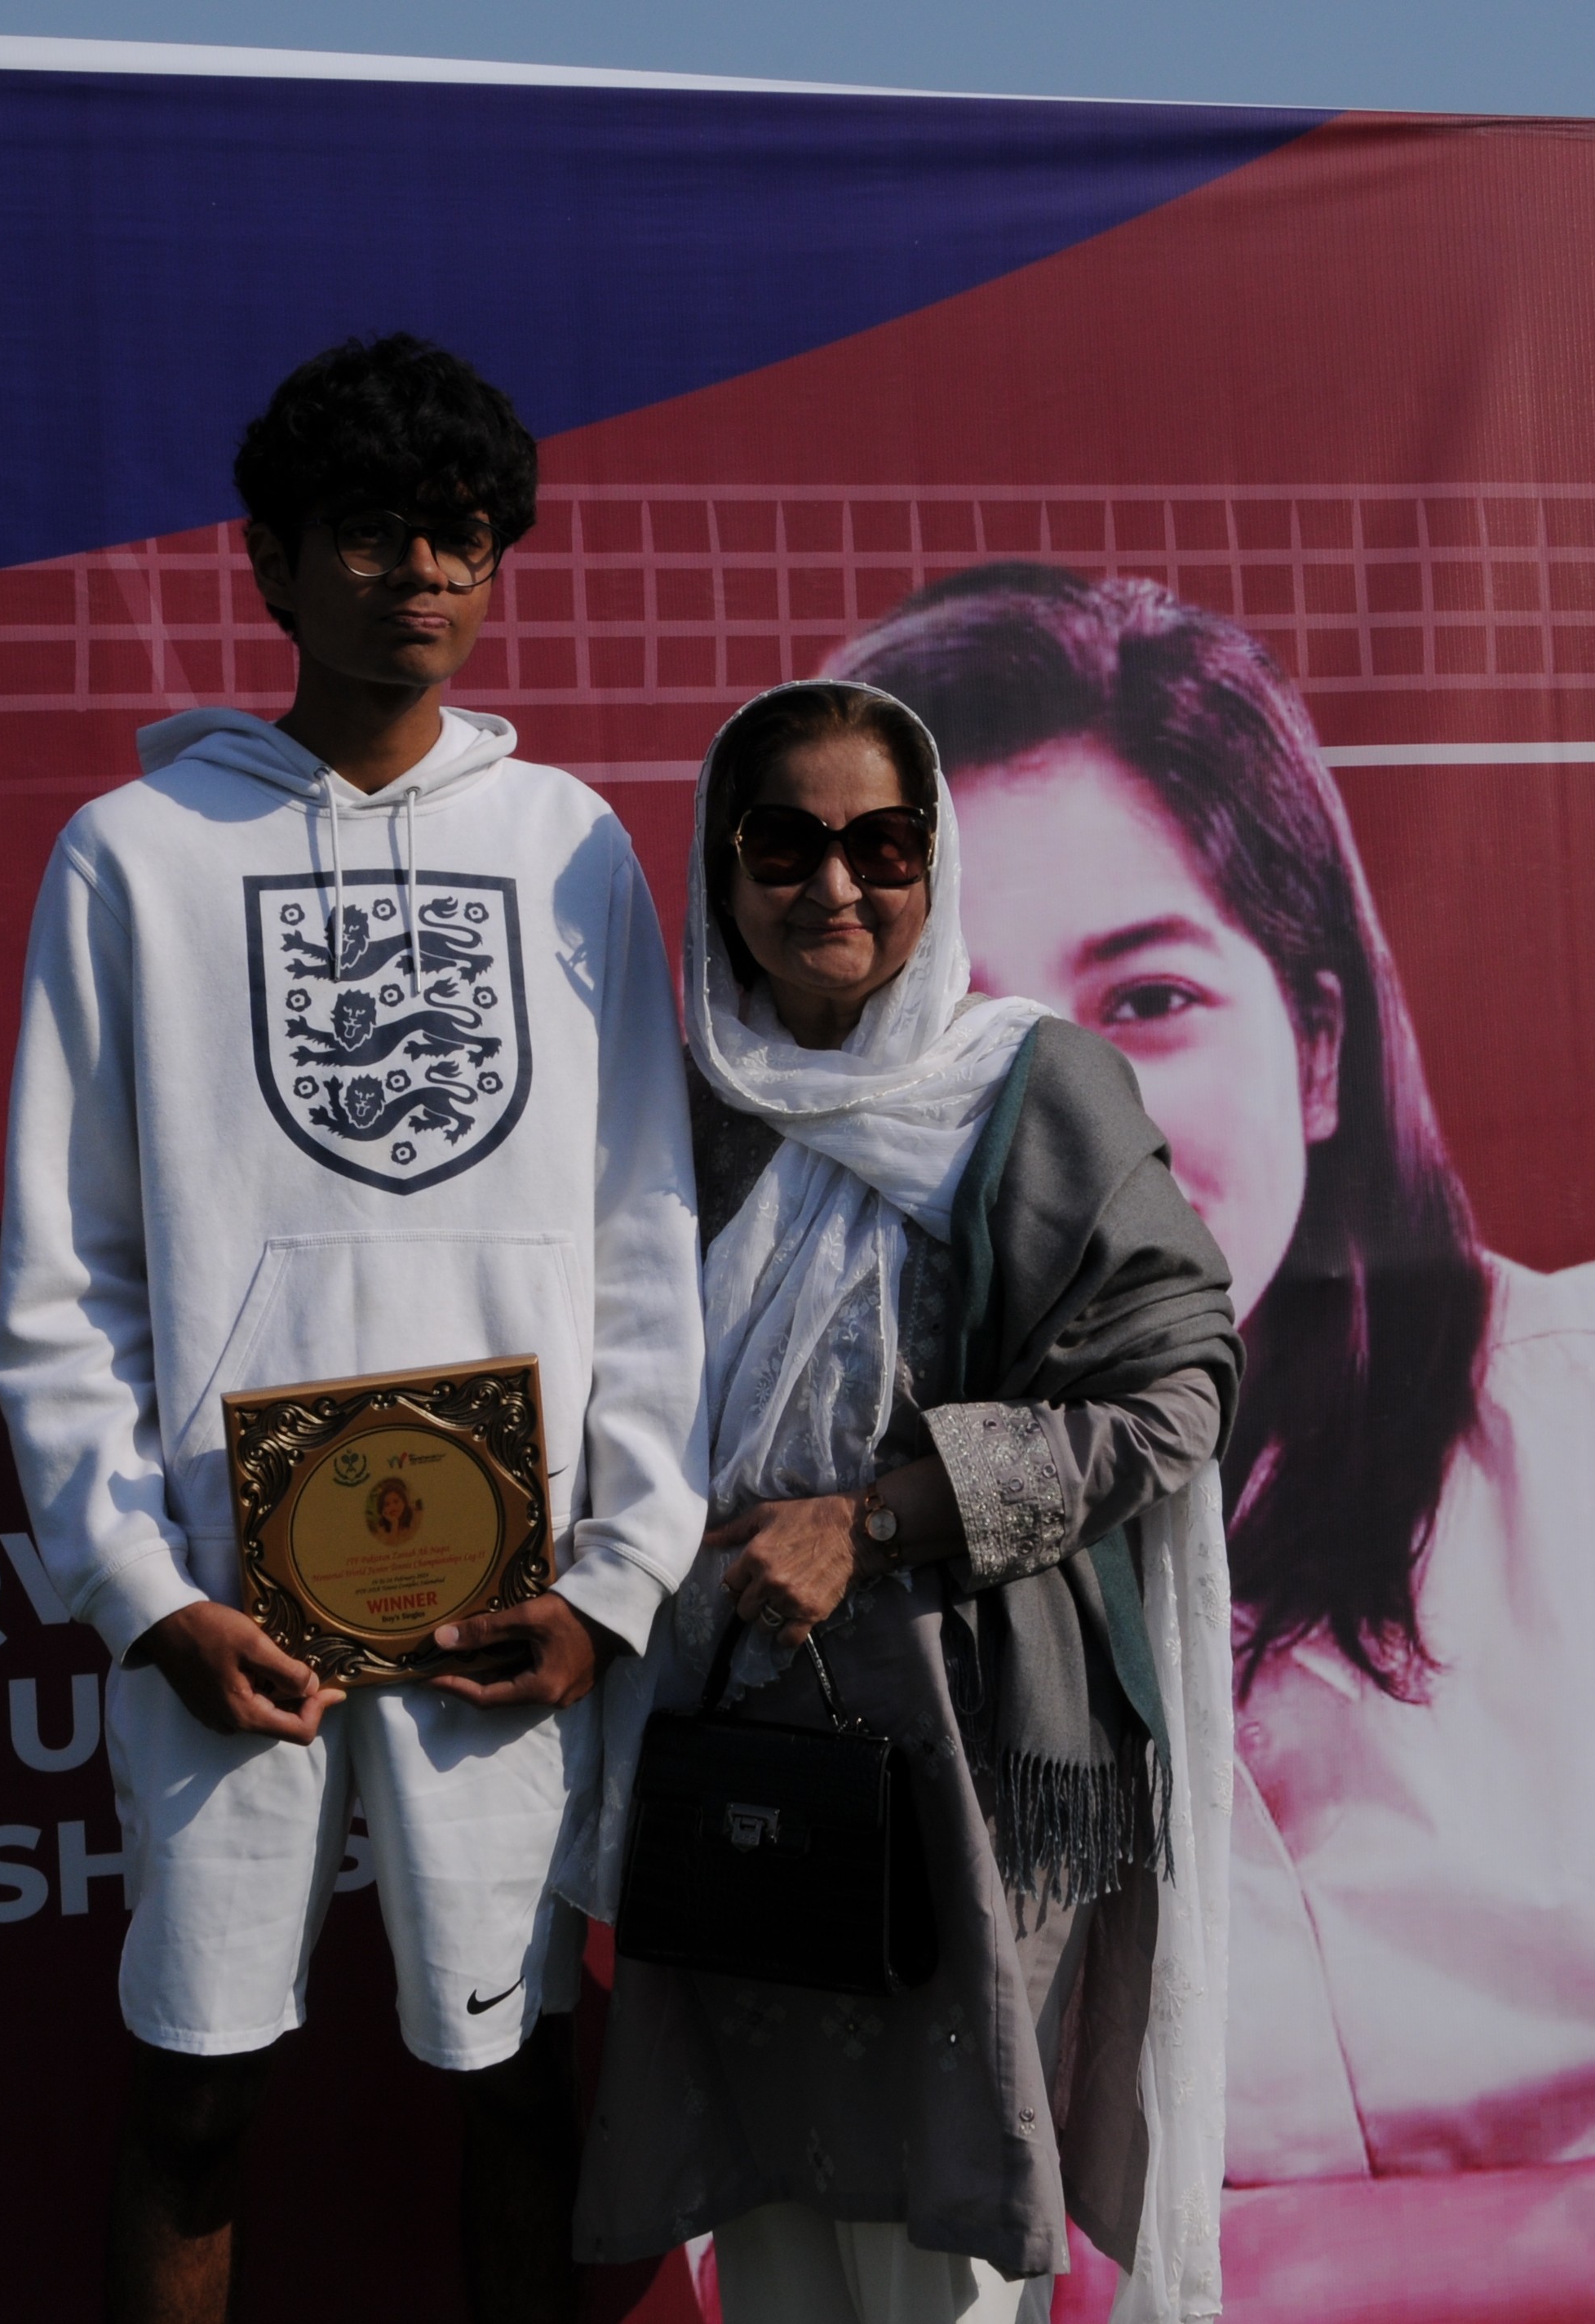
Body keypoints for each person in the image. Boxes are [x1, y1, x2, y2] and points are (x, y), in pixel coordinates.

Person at [837, 566, 1595, 2317]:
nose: (1072, 1116)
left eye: (1143, 1002)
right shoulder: (833, 1495)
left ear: (1317, 1043)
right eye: (971, 1032)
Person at [0, 335, 708, 2324]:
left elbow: (640, 1236)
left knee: (514, 2082)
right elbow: (67, 1272)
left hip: (510, 1601)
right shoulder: (131, 860)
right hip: (232, 1604)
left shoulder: (568, 845)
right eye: (374, 536)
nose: (422, 576)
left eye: (462, 541)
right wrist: (141, 1590)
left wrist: (620, 1575)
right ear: (271, 565)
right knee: (198, 2092)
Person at [567, 679, 1244, 2324]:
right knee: (775, 2222)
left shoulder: (1026, 1088)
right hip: (727, 1731)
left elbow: (1175, 1394)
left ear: (934, 863)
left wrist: (872, 1517)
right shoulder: (657, 1106)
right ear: (717, 868)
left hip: (966, 1744)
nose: (832, 887)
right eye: (781, 842)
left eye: (881, 843)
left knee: (936, 2247)